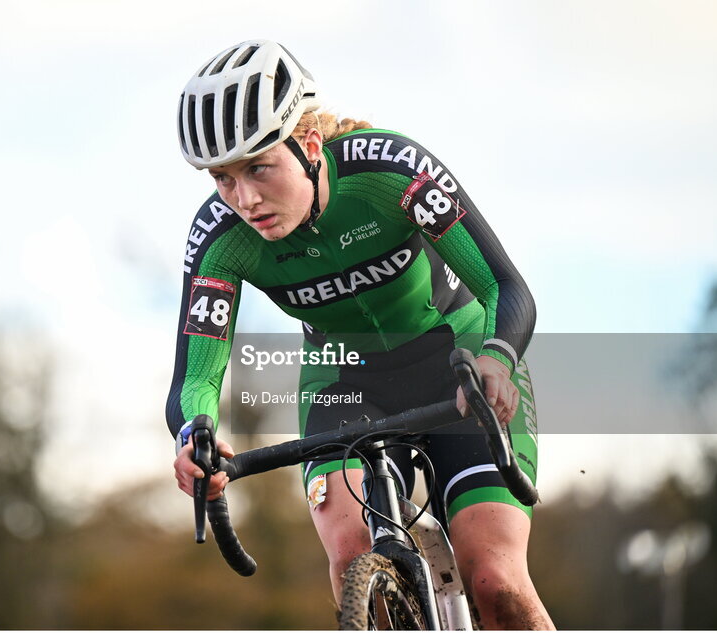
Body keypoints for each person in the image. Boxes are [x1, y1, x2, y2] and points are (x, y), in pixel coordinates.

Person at [166, 39, 554, 630]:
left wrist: (498, 357)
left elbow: (507, 286)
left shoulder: (391, 172)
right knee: (352, 561)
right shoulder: (220, 239)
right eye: (223, 179)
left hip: (458, 365)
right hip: (345, 381)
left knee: (494, 580)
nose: (244, 199)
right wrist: (196, 435)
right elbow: (195, 377)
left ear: (310, 145)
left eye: (259, 168)